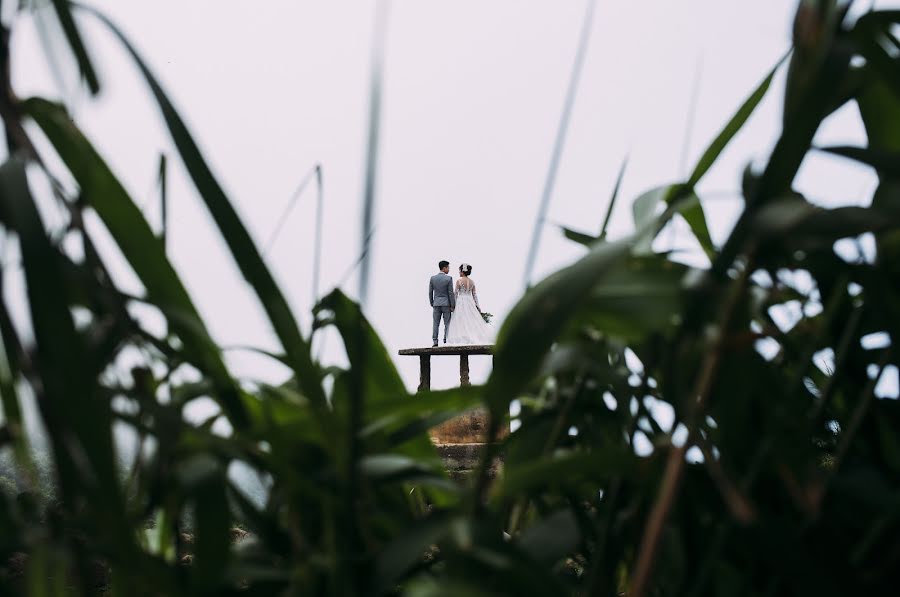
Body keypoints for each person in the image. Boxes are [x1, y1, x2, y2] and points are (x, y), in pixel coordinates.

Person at [446, 262, 494, 345]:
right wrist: (478, 306)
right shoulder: (472, 282)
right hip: (469, 301)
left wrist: (453, 305)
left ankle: (464, 336)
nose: (459, 272)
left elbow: (455, 294)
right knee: (471, 318)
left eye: (460, 271)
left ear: (462, 271)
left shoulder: (459, 281)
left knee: (461, 319)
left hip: (461, 301)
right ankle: (471, 335)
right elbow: (474, 295)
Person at [429, 260, 455, 347]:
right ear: (444, 268)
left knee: (435, 323)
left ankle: (435, 341)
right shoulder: (449, 278)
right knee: (447, 323)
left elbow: (430, 292)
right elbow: (451, 293)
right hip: (446, 304)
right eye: (448, 267)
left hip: (436, 303)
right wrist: (452, 305)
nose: (449, 269)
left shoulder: (433, 278)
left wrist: (432, 302)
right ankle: (446, 339)